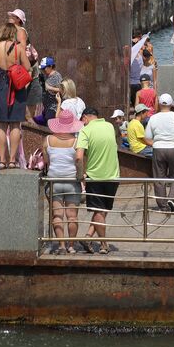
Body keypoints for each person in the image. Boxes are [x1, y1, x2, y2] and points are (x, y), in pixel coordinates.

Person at [75, 105, 120, 254]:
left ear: (85, 118)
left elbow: (79, 156)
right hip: (113, 175)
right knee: (103, 210)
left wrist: (80, 175)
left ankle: (103, 245)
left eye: (83, 121)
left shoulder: (85, 131)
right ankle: (88, 237)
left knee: (99, 211)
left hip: (95, 177)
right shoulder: (109, 126)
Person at [0, 9, 31, 169]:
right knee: (14, 125)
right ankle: (12, 160)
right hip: (16, 89)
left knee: (0, 125)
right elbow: (27, 67)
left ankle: (1, 160)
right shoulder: (18, 47)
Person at [44, 108, 83, 254]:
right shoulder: (77, 141)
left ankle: (60, 245)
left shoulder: (48, 140)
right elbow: (79, 160)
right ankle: (71, 246)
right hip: (72, 181)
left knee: (57, 215)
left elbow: (46, 160)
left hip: (54, 181)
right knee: (72, 216)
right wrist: (80, 176)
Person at [146, 93, 174, 213]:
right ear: (171, 104)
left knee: (159, 178)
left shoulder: (153, 118)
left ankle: (162, 205)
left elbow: (148, 136)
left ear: (160, 104)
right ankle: (171, 198)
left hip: (158, 148)